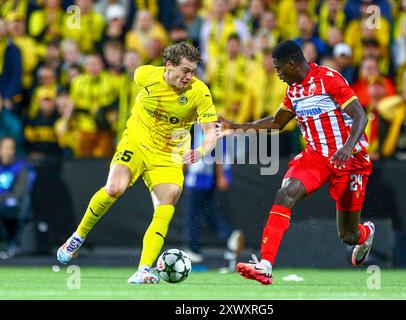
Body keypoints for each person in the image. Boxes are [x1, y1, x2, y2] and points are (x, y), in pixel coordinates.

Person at [56, 42, 218, 285]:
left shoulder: (200, 92)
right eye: (185, 70)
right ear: (169, 66)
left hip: (168, 156)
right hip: (136, 143)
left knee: (168, 200)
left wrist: (202, 150)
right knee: (114, 189)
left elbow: (211, 131)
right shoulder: (144, 75)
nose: (189, 76)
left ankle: (143, 269)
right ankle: (78, 237)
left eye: (193, 71)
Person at [219, 40, 375, 285]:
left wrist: (346, 147)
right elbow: (276, 123)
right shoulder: (294, 91)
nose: (278, 74)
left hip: (350, 160)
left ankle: (365, 234)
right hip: (316, 157)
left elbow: (360, 115)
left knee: (348, 235)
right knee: (285, 194)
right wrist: (236, 127)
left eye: (279, 69)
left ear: (291, 65)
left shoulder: (329, 79)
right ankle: (265, 265)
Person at [183, 123, 244, 269]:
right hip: (204, 173)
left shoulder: (204, 123)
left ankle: (193, 249)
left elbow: (215, 149)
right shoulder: (202, 123)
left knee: (192, 213)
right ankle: (230, 236)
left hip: (201, 174)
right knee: (206, 210)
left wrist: (221, 174)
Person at [0, 136, 28, 258]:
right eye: (5, 148)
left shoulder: (20, 167)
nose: (8, 151)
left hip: (11, 205)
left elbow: (19, 193)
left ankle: (6, 245)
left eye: (11, 148)